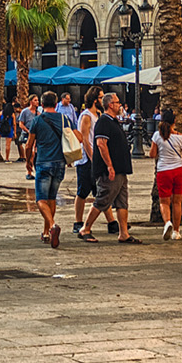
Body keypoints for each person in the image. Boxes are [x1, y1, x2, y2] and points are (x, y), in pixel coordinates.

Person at [81, 93, 138, 243]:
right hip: (109, 170)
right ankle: (85, 228)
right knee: (103, 200)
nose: (120, 105)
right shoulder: (104, 122)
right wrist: (109, 166)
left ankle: (123, 233)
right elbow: (101, 143)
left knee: (122, 202)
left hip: (120, 169)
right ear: (110, 105)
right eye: (117, 102)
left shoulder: (113, 121)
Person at [150, 108, 182, 240]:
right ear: (174, 122)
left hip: (163, 171)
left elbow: (152, 154)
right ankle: (177, 232)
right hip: (179, 170)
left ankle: (167, 222)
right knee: (177, 202)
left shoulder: (157, 136)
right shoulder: (180, 137)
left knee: (164, 202)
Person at [27, 92, 69, 249]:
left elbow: (29, 144)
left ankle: (52, 226)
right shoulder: (64, 119)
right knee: (51, 198)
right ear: (56, 103)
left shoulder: (37, 120)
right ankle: (46, 232)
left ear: (42, 104)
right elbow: (76, 136)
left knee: (40, 200)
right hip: (60, 163)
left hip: (44, 162)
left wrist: (28, 161)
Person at [72, 97, 101, 237]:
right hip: (86, 159)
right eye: (100, 97)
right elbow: (85, 139)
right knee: (83, 190)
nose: (102, 99)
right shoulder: (86, 116)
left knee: (100, 190)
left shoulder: (98, 115)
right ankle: (78, 222)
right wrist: (92, 158)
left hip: (96, 156)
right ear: (95, 99)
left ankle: (112, 221)